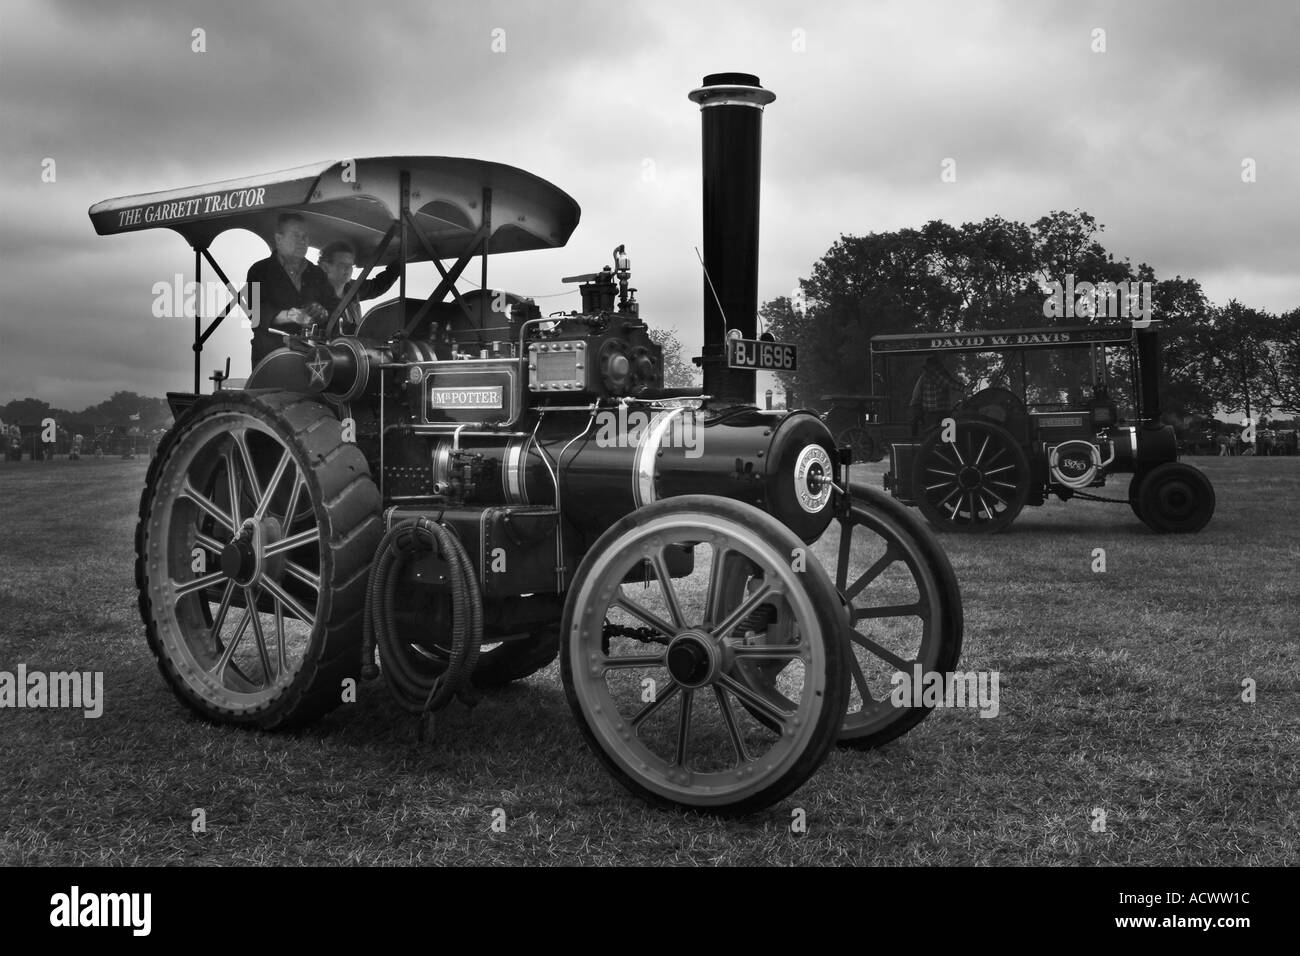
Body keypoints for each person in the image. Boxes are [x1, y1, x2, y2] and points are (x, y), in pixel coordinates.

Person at [246, 212, 334, 366]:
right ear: (279, 239)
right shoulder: (258, 270)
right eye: (296, 235)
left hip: (311, 360)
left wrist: (323, 312)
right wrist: (289, 315)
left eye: (305, 236)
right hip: (271, 359)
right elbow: (255, 313)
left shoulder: (317, 273)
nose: (302, 241)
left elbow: (332, 308)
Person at [317, 240, 401, 335]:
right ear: (325, 267)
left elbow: (377, 286)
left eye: (350, 265)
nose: (348, 269)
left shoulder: (352, 288)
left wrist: (399, 264)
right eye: (342, 265)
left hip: (352, 346)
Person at [909, 355, 966, 433]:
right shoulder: (934, 370)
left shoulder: (927, 373)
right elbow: (947, 382)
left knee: (938, 436)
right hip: (935, 413)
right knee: (940, 437)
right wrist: (964, 389)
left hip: (933, 412)